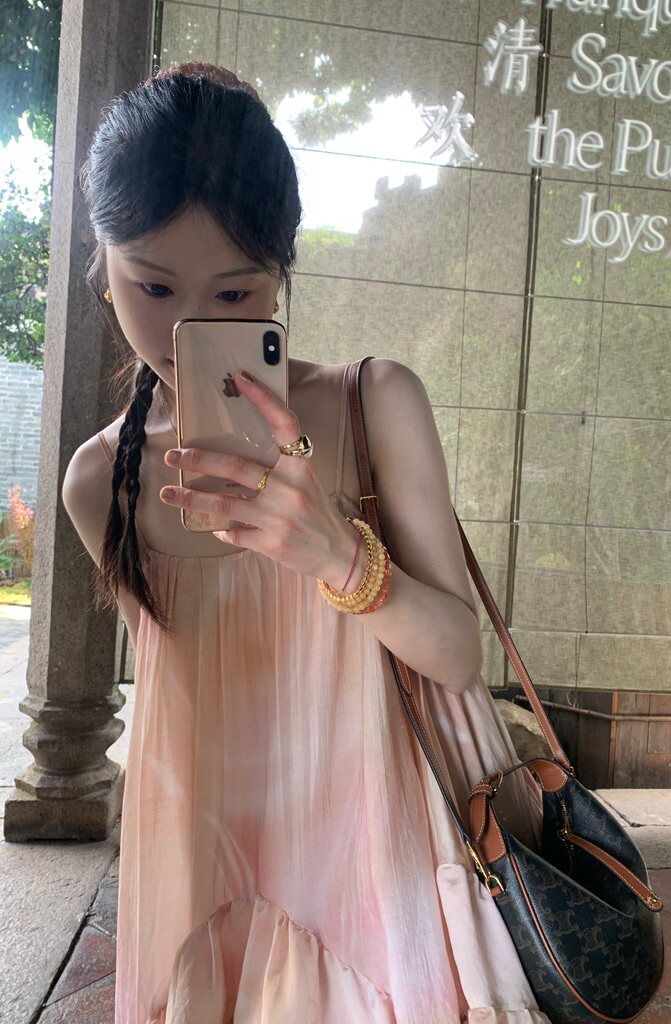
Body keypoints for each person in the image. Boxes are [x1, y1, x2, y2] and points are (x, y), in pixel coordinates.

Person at [62, 62, 549, 1024]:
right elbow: (184, 698)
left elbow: (459, 656)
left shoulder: (376, 403)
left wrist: (339, 555)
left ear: (281, 273)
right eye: (151, 283)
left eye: (236, 292)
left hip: (379, 867)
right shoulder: (96, 482)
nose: (190, 324)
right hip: (206, 881)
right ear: (100, 261)